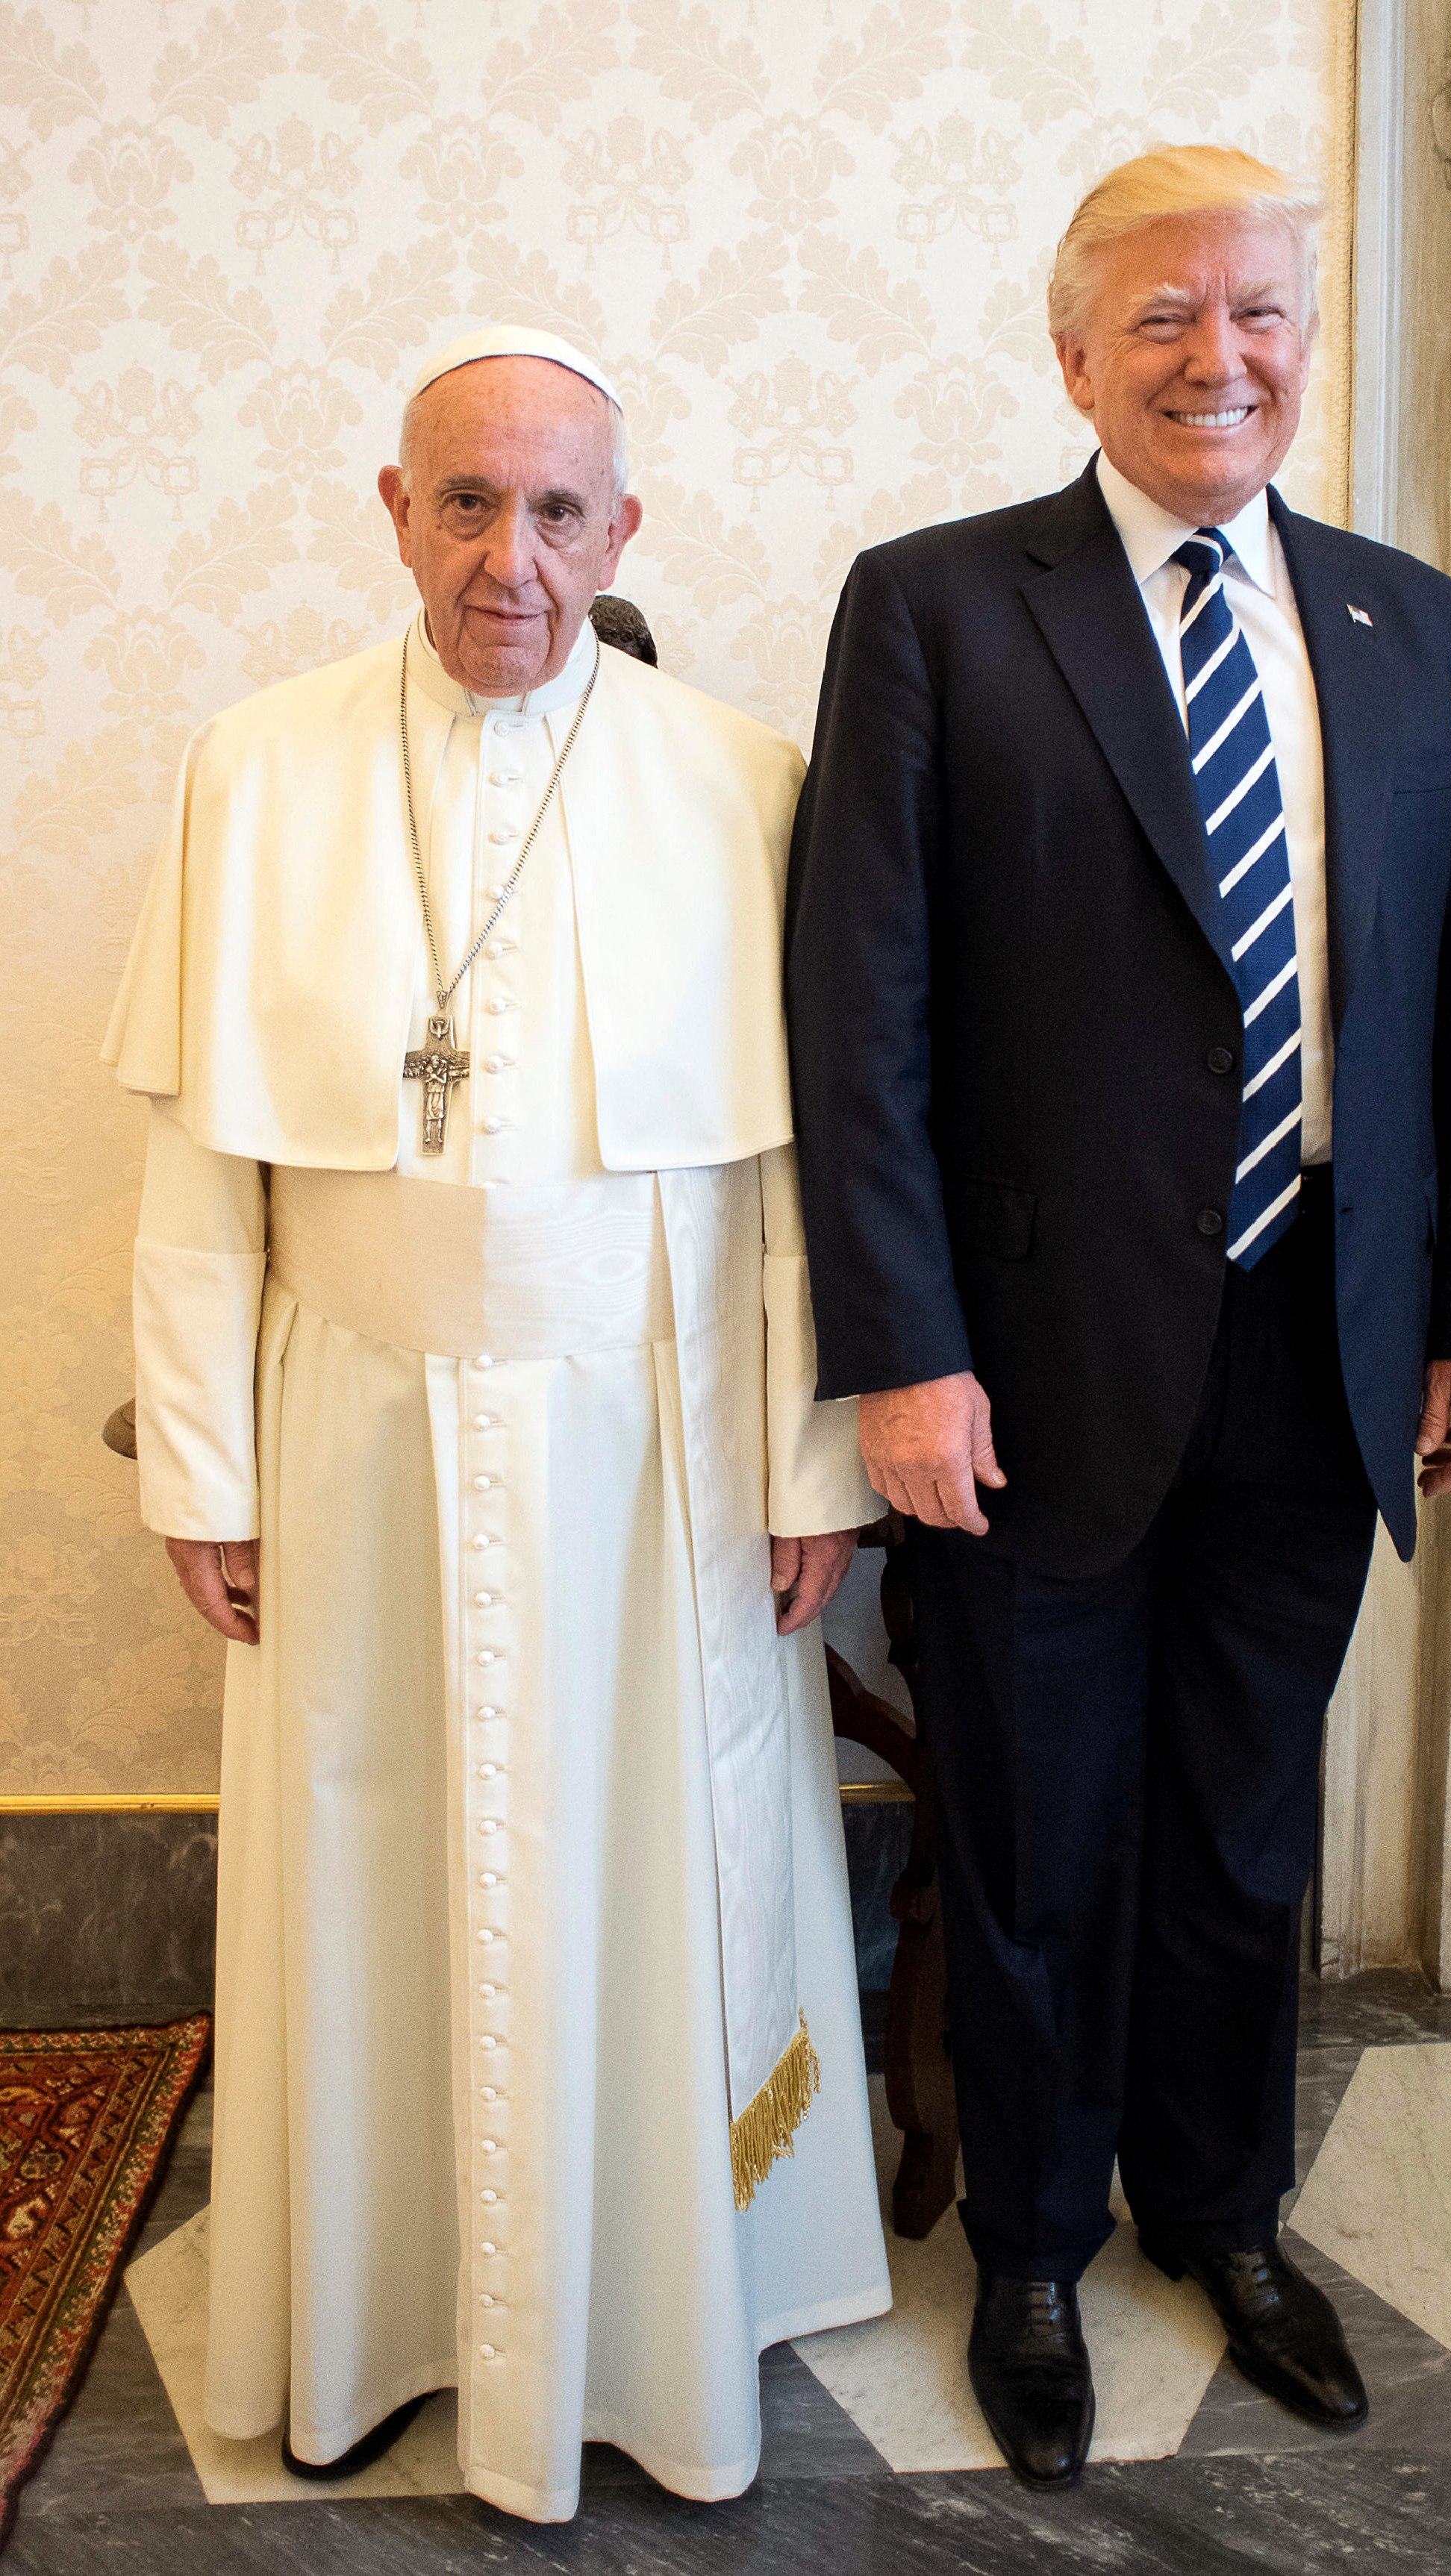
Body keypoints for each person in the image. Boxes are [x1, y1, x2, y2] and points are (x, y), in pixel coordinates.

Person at [784, 147, 1451, 2486]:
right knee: (1033, 1825)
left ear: (1303, 342)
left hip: (1324, 1342)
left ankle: (1223, 2215)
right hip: (1018, 1374)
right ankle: (1026, 2244)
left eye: (1261, 319)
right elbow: (863, 1007)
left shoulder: (1417, 622)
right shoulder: (932, 609)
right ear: (1075, 351)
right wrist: (898, 1350)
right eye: (1167, 322)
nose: (1222, 359)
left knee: (1240, 1824)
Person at [104, 325, 888, 2523]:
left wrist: (809, 1462)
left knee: (633, 1868)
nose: (511, 556)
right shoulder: (252, 770)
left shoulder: (736, 779)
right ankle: (366, 2328)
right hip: (348, 1439)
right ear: (392, 510)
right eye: (466, 502)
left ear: (624, 530)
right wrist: (203, 1465)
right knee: (371, 1883)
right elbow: (201, 1178)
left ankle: (646, 2339)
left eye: (559, 510)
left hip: (652, 1451)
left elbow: (793, 1176)